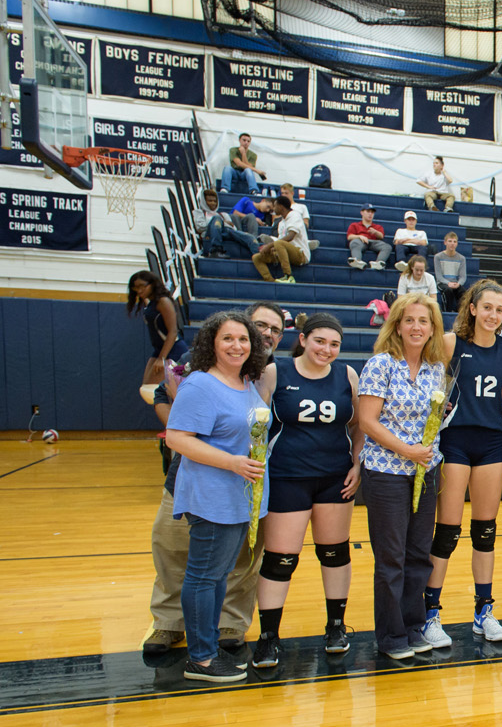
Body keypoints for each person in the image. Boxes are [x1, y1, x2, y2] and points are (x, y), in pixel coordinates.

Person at [164, 311, 270, 683]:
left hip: (239, 495)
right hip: (212, 495)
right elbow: (177, 438)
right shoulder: (200, 385)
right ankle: (202, 659)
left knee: (218, 575)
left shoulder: (244, 382)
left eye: (243, 339)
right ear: (212, 342)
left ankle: (205, 650)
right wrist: (232, 463)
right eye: (227, 338)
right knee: (204, 576)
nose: (236, 345)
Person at [250, 313, 362, 667]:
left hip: (335, 477)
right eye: (319, 341)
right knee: (281, 560)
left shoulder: (347, 375)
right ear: (303, 338)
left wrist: (357, 465)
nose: (326, 350)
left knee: (335, 553)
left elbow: (360, 423)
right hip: (287, 477)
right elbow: (254, 422)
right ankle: (268, 638)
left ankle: (336, 626)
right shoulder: (275, 372)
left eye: (334, 344)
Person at [356, 292, 448, 659]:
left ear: (432, 329)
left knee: (418, 554)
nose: (416, 327)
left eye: (423, 321)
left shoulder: (436, 368)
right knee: (391, 557)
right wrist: (407, 450)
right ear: (397, 324)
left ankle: (413, 626)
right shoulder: (381, 364)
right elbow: (366, 421)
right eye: (409, 320)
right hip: (386, 472)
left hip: (425, 472)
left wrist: (424, 452)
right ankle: (391, 635)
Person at [427, 280, 502, 645]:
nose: (493, 315)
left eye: (500, 309)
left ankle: (484, 611)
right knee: (447, 531)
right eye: (488, 307)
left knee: (486, 530)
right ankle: (430, 613)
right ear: (473, 308)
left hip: (492, 440)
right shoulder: (451, 343)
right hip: (456, 440)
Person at [128, 270, 186, 386]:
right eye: (135, 288)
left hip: (174, 350)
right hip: (159, 350)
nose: (139, 291)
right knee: (147, 388)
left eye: (142, 286)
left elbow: (173, 331)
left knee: (156, 391)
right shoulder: (151, 303)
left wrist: (162, 359)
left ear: (152, 284)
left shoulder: (163, 302)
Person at [251, 195, 309, 284]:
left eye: (275, 206)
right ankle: (270, 281)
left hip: (300, 254)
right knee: (257, 257)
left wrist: (270, 245)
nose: (273, 209)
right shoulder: (281, 222)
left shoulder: (295, 215)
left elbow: (290, 236)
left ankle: (289, 276)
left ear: (281, 207)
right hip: (285, 252)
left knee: (278, 243)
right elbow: (280, 241)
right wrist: (269, 248)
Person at [194, 189, 258, 258]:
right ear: (204, 201)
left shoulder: (223, 215)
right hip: (210, 234)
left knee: (250, 237)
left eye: (215, 201)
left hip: (226, 232)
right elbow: (200, 227)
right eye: (210, 201)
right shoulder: (200, 212)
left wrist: (224, 223)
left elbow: (233, 228)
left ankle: (258, 256)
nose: (213, 203)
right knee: (217, 218)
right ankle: (216, 251)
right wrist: (221, 222)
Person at [347, 204, 391, 270]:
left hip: (374, 242)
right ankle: (357, 261)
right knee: (354, 242)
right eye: (368, 211)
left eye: (372, 212)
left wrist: (376, 232)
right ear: (362, 212)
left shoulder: (377, 227)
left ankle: (379, 263)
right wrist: (359, 236)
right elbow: (349, 236)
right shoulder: (354, 225)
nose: (370, 214)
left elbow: (381, 236)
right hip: (361, 241)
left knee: (387, 247)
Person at [433, 232, 467, 303]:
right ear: (445, 242)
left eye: (454, 241)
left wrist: (458, 283)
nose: (452, 243)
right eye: (450, 241)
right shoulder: (438, 257)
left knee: (463, 292)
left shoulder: (461, 258)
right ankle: (448, 312)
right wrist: (448, 283)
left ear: (457, 243)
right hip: (442, 283)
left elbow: (463, 277)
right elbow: (439, 276)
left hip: (455, 283)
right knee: (448, 290)